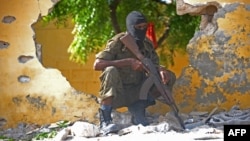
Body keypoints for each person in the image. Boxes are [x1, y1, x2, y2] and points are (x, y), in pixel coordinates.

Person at [93, 11, 176, 134]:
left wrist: (161, 70)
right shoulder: (118, 41)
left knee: (169, 76)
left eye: (144, 27)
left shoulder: (146, 44)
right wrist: (127, 62)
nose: (142, 30)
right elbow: (97, 65)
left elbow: (155, 64)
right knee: (111, 70)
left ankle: (138, 108)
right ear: (131, 27)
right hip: (117, 93)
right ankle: (105, 120)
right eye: (138, 27)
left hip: (137, 92)